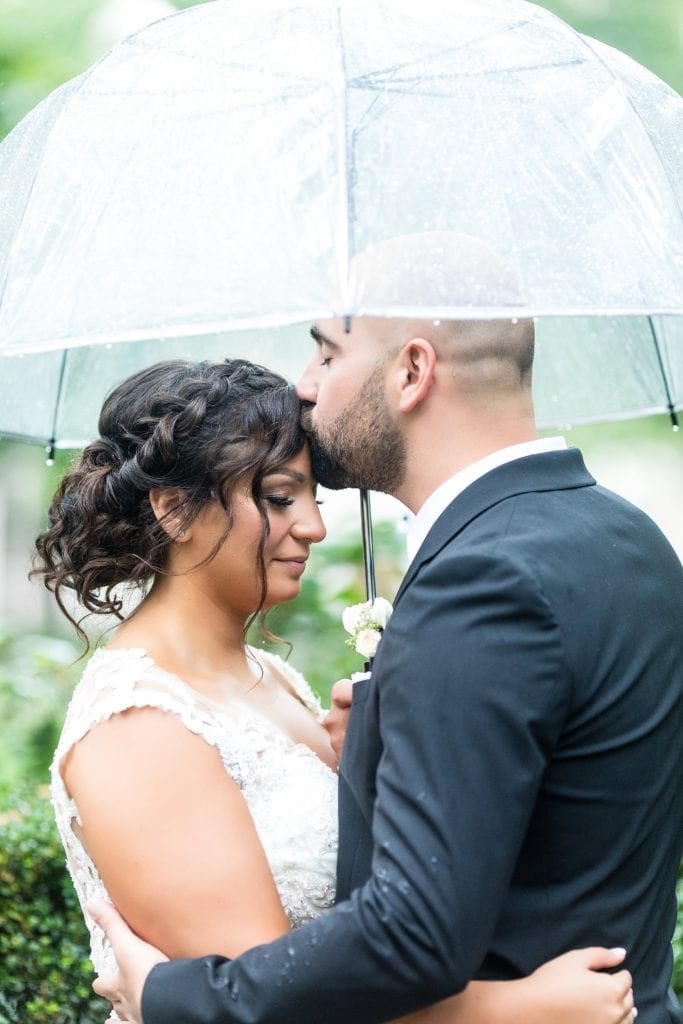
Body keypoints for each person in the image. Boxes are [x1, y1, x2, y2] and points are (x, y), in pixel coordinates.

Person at [90, 234, 682, 1024]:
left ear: (411, 371)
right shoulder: (628, 538)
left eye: (326, 355)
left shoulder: (485, 577)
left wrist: (173, 996)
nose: (303, 388)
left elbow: (414, 934)